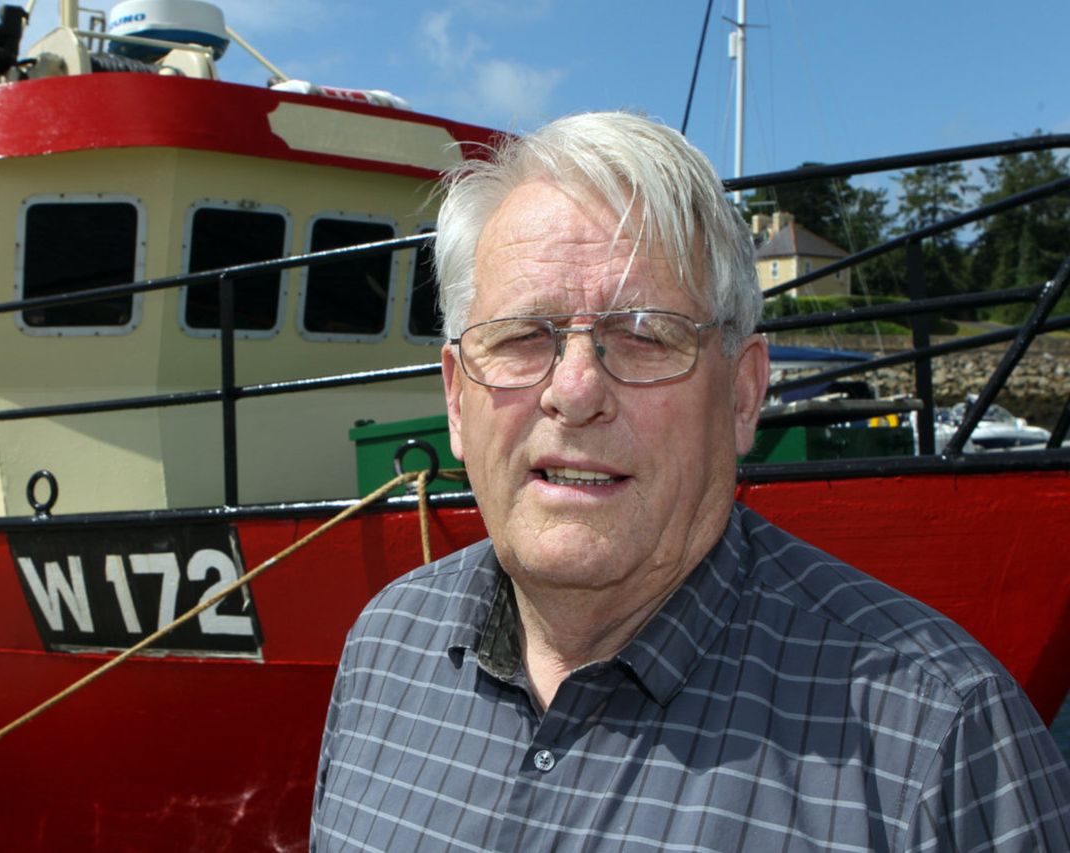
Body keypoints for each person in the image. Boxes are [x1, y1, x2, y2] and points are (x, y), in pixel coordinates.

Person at [312, 112, 1070, 851]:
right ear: (455, 395)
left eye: (644, 335)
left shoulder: (939, 745)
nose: (574, 390)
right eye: (520, 337)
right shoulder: (383, 651)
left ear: (743, 395)